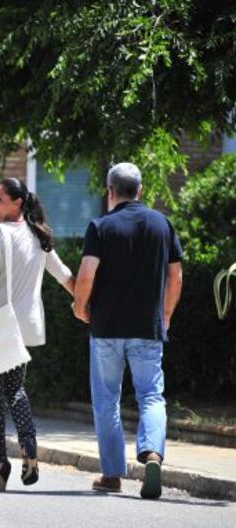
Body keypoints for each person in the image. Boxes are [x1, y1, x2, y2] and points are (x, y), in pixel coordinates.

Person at [73, 162, 183, 499]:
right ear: (141, 190)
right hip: (147, 329)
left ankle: (111, 474)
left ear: (109, 192)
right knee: (151, 394)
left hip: (106, 328)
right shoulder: (162, 224)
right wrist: (164, 315)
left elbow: (88, 271)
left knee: (107, 400)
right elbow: (175, 275)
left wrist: (79, 307)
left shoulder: (101, 226)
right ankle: (152, 453)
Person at [0, 178, 75, 491]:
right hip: (23, 328)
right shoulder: (38, 235)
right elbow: (64, 275)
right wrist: (85, 303)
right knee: (15, 389)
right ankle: (29, 446)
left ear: (17, 203)